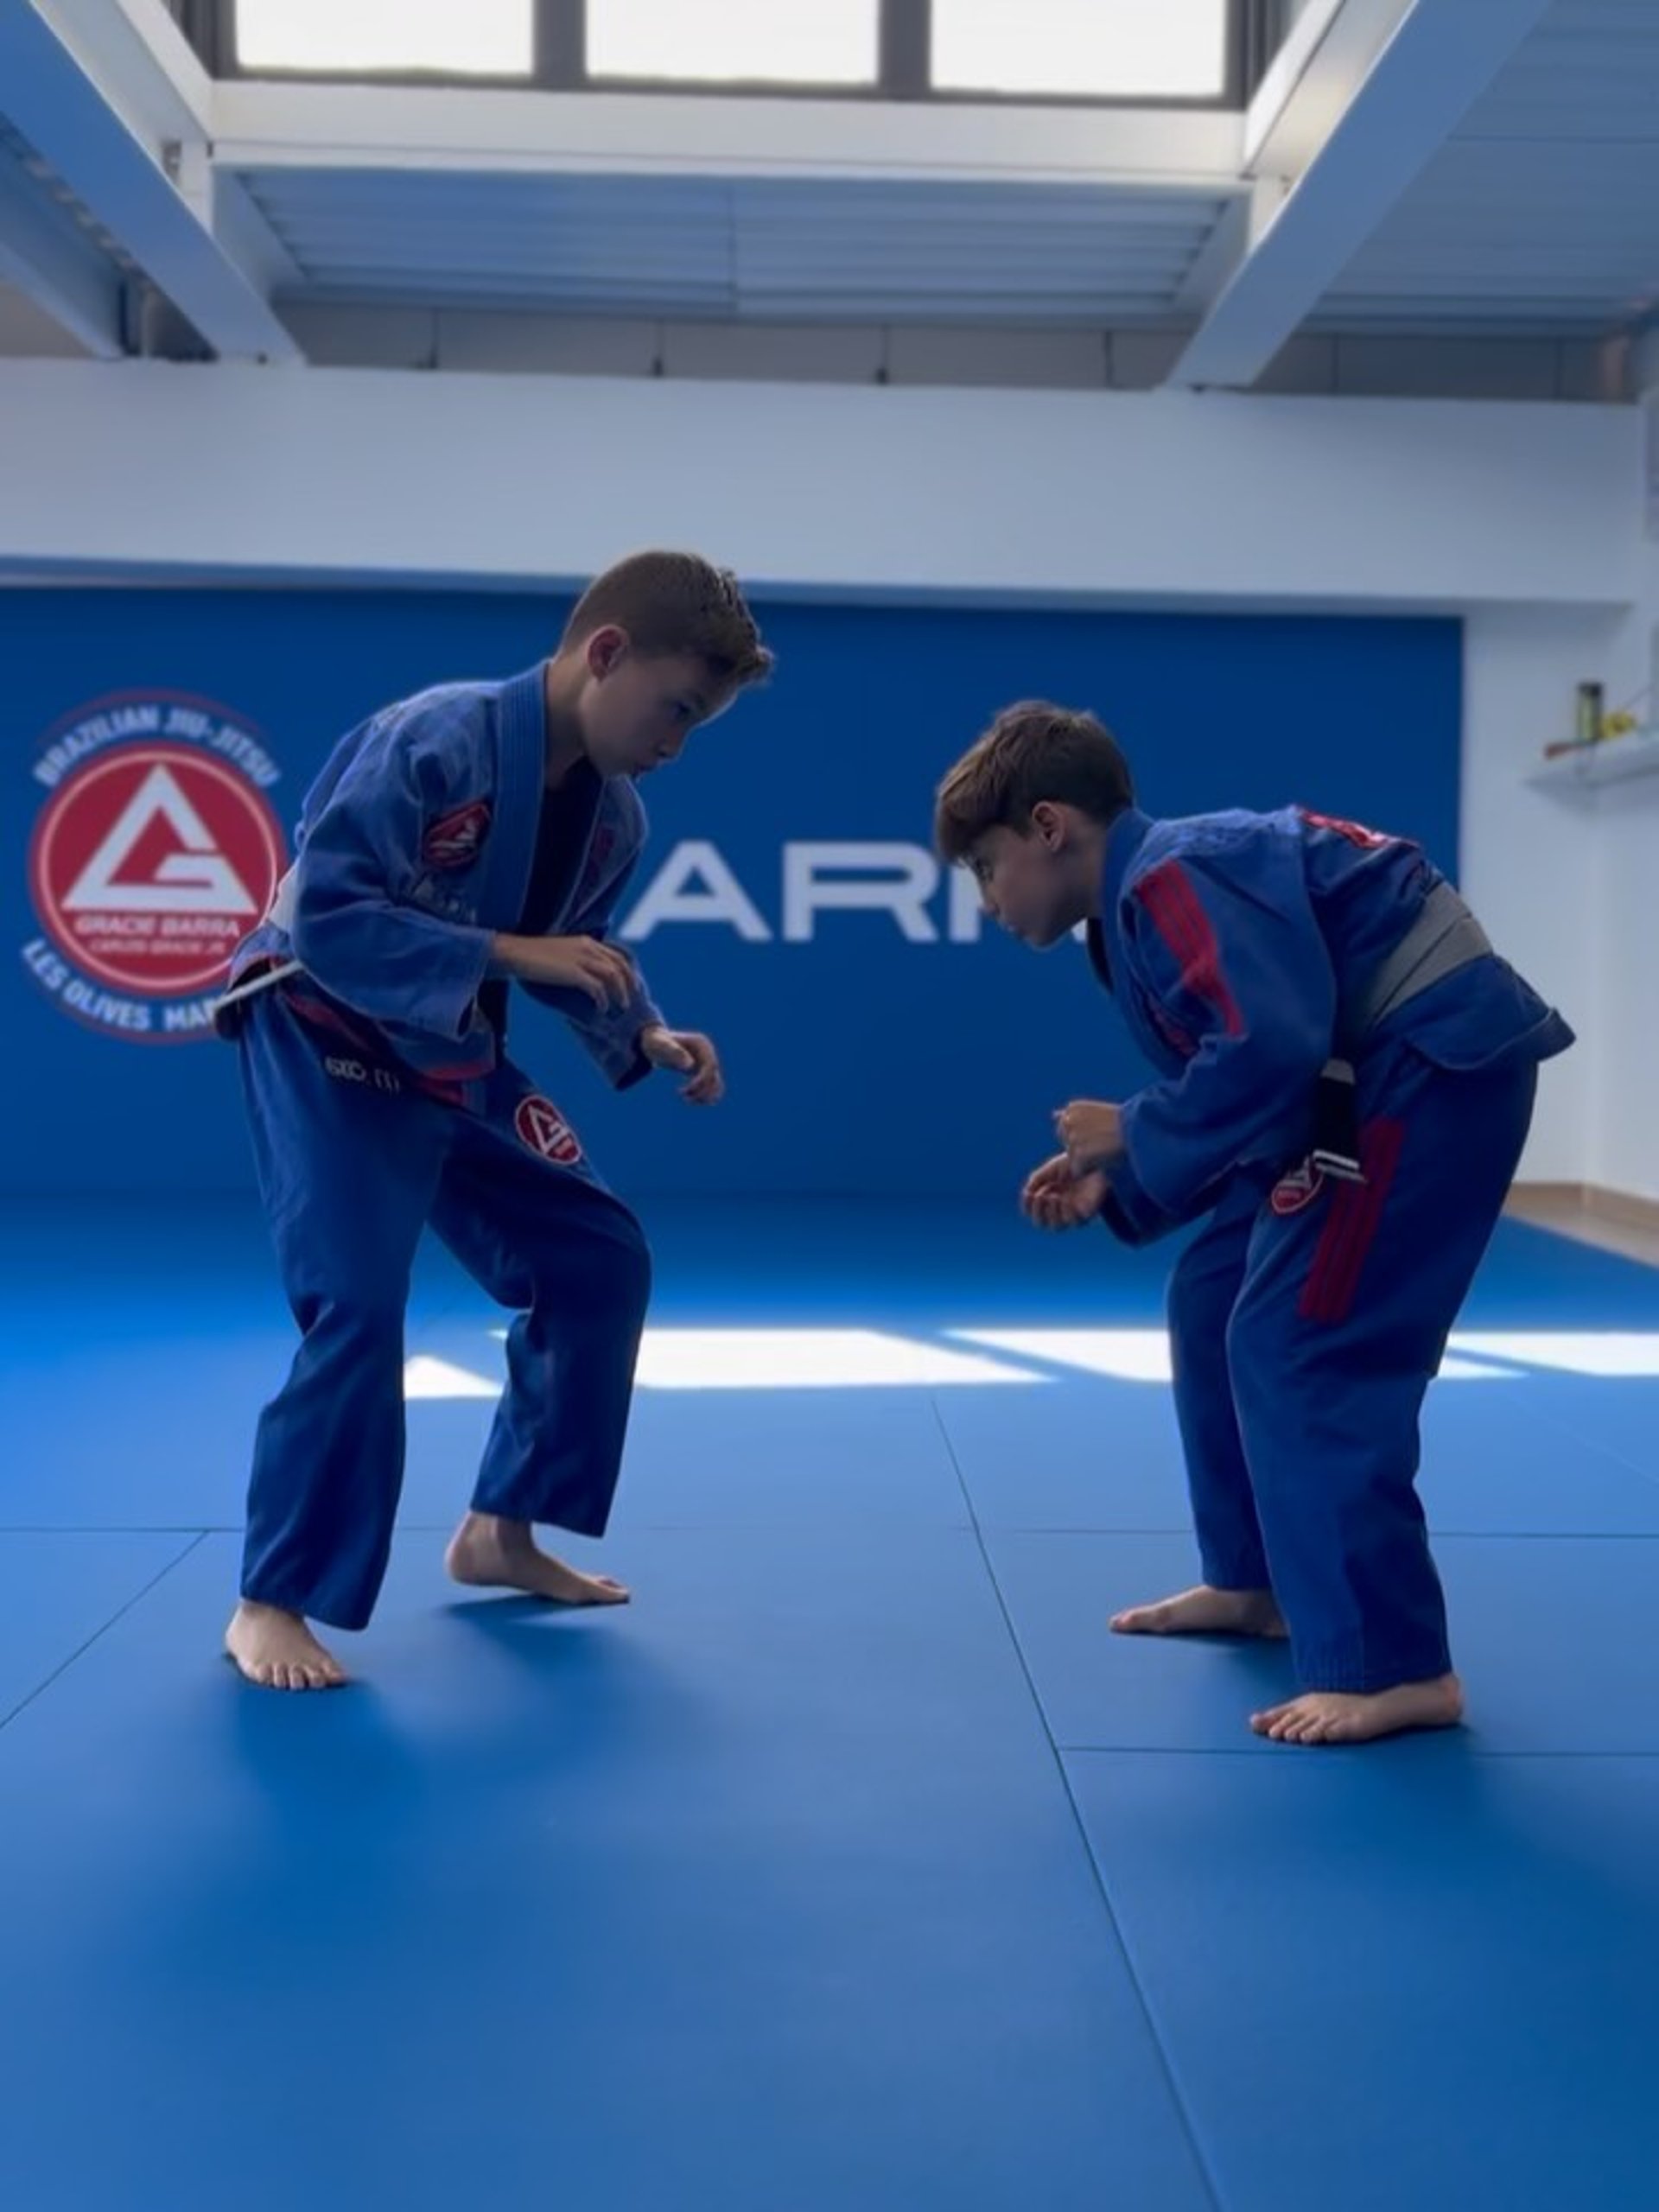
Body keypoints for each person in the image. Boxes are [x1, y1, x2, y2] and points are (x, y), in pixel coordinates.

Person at [934, 700, 1572, 1746]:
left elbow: (1271, 1050)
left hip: (1425, 1068)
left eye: (987, 866)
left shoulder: (1176, 873)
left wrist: (1133, 1128)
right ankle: (1256, 1579)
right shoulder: (1141, 904)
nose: (988, 899)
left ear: (1049, 827)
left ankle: (1398, 1666)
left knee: (1306, 1341)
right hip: (1355, 1079)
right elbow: (1257, 1087)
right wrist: (1127, 1180)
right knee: (1215, 1294)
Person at [214, 551, 772, 1690]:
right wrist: (509, 954)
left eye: (699, 725)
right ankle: (271, 1597)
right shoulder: (435, 737)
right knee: (359, 1308)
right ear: (604, 652)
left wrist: (644, 1032)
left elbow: (578, 953)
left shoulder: (615, 819)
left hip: (448, 1045)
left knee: (596, 1255)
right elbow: (324, 912)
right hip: (319, 1027)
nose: (678, 740)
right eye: (675, 708)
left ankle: (501, 1530)